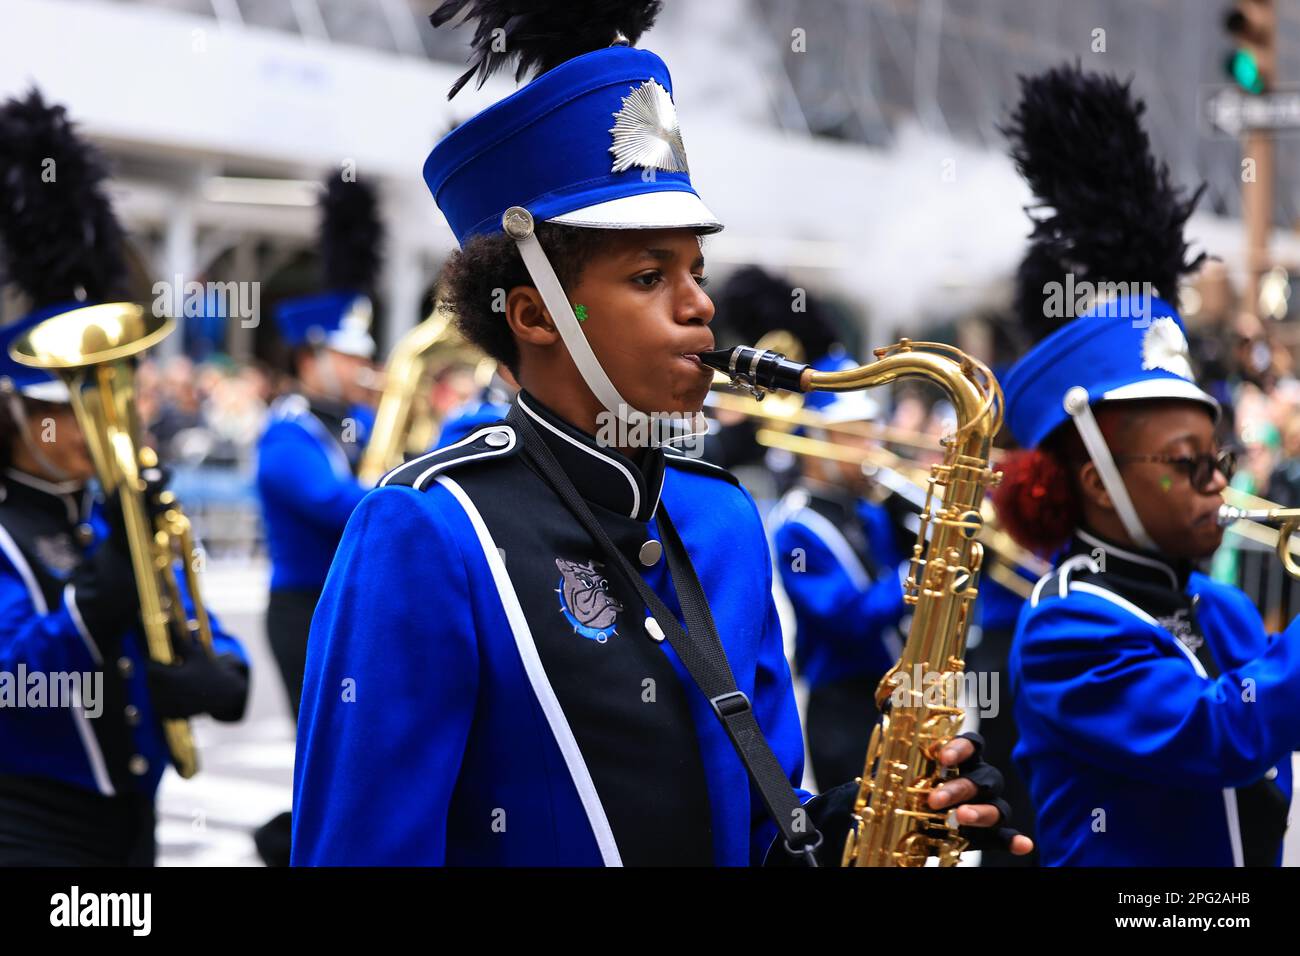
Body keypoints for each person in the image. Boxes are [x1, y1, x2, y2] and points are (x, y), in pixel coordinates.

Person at [292, 1, 1030, 866]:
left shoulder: (721, 519)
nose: (700, 305)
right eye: (651, 274)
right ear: (534, 313)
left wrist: (854, 829)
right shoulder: (428, 529)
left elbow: (759, 829)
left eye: (696, 269)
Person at [993, 64, 1300, 866]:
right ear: (1098, 480)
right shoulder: (1067, 626)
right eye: (1186, 464)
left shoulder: (1222, 607)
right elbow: (1221, 732)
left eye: (1217, 459)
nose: (1217, 483)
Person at [0, 89, 249, 866]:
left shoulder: (112, 506)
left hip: (132, 825)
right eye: (67, 408)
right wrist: (93, 608)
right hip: (29, 825)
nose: (93, 428)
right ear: (14, 411)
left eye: (105, 400)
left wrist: (220, 665)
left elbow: (172, 603)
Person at [253, 174, 381, 863]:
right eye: (348, 356)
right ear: (311, 357)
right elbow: (340, 504)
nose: (363, 367)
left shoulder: (361, 420)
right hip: (302, 607)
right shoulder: (287, 433)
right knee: (327, 745)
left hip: (356, 602)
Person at [768, 384, 908, 792]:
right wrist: (915, 574)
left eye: (872, 432)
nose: (872, 448)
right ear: (817, 443)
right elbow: (846, 618)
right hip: (843, 703)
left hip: (894, 693)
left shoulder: (868, 510)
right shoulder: (796, 525)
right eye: (856, 435)